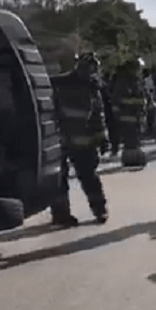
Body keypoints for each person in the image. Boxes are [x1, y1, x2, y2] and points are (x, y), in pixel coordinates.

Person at [49, 52, 110, 227]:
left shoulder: (91, 87)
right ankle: (64, 214)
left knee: (84, 177)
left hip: (74, 141)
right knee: (66, 179)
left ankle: (95, 210)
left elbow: (98, 115)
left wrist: (102, 138)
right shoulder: (62, 83)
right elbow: (97, 115)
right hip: (66, 140)